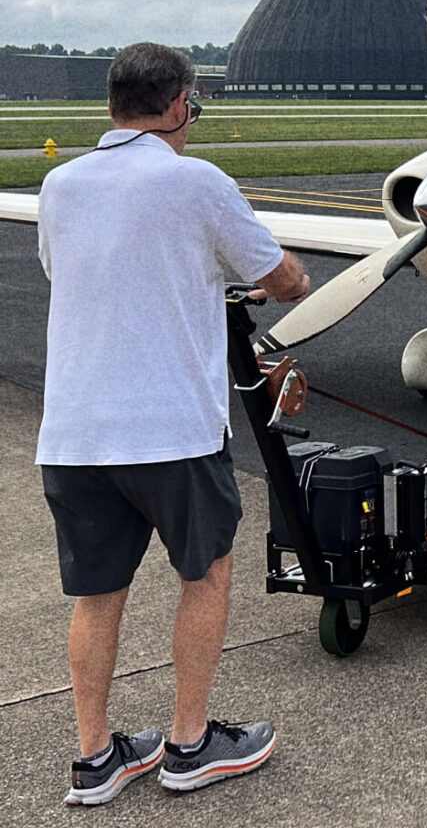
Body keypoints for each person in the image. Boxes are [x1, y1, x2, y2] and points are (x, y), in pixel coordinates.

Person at [36, 42, 310, 806]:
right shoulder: (198, 182)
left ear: (114, 105)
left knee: (96, 597)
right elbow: (280, 278)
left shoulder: (60, 185)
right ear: (180, 105)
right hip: (172, 433)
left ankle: (95, 760)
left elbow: (77, 271)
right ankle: (190, 744)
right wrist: (282, 281)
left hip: (76, 434)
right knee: (207, 572)